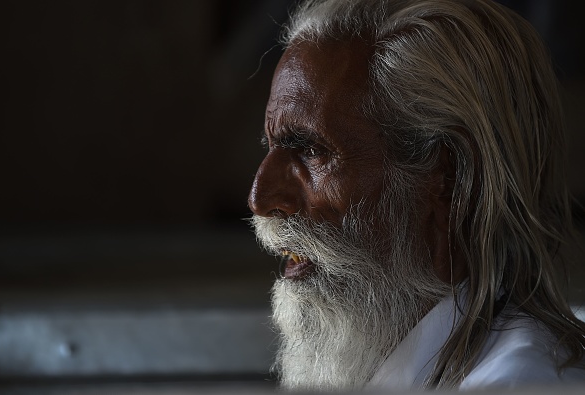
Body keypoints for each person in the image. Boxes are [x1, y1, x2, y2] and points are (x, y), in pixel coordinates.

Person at [247, 0, 585, 391]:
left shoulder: (519, 382)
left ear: (446, 177)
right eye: (270, 146)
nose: (260, 198)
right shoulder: (394, 369)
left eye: (309, 150)